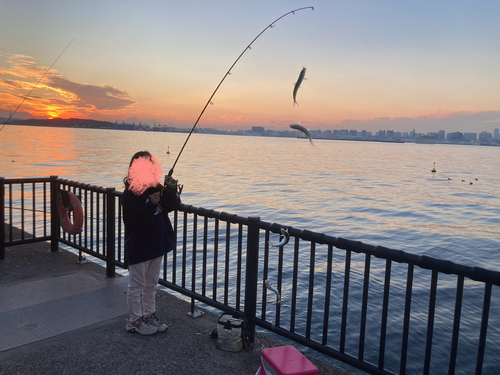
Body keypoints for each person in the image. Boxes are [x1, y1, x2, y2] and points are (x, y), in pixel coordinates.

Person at [121, 151, 181, 335]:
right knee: (136, 286)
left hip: (156, 244)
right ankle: (134, 321)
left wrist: (169, 188)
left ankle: (149, 315)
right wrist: (149, 205)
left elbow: (173, 205)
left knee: (151, 284)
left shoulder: (156, 188)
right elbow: (131, 220)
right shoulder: (130, 193)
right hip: (139, 246)